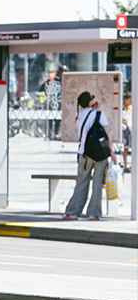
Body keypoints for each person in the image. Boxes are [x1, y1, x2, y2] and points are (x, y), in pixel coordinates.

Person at [64, 91, 110, 221]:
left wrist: (93, 107)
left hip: (84, 153)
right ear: (90, 102)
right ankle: (94, 213)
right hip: (99, 154)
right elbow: (106, 136)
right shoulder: (100, 115)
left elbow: (89, 118)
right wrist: (111, 153)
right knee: (97, 183)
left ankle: (73, 211)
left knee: (81, 182)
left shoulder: (78, 115)